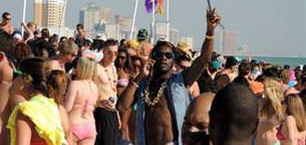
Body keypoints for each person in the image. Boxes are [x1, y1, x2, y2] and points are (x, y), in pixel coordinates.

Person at [118, 9, 221, 144]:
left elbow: (203, 59)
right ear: (152, 58)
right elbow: (122, 106)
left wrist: (210, 31)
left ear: (173, 61)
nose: (164, 58)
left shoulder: (180, 81)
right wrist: (140, 76)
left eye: (168, 56)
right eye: (159, 55)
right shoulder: (143, 84)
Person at [7, 58, 70, 144]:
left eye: (16, 74)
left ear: (27, 78)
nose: (13, 79)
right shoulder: (58, 108)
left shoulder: (26, 111)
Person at [64, 57, 99, 144]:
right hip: (90, 125)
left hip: (74, 125)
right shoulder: (95, 86)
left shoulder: (75, 84)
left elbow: (67, 108)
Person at [94, 39, 120, 145]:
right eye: (109, 53)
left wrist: (116, 113)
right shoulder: (95, 68)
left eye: (115, 53)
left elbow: (114, 91)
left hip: (112, 111)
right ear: (103, 52)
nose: (113, 56)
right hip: (100, 111)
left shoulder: (113, 68)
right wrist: (97, 103)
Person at [256, 78, 284, 145]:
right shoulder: (261, 102)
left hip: (274, 140)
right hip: (259, 138)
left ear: (270, 90)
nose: (263, 89)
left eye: (264, 87)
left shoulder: (282, 106)